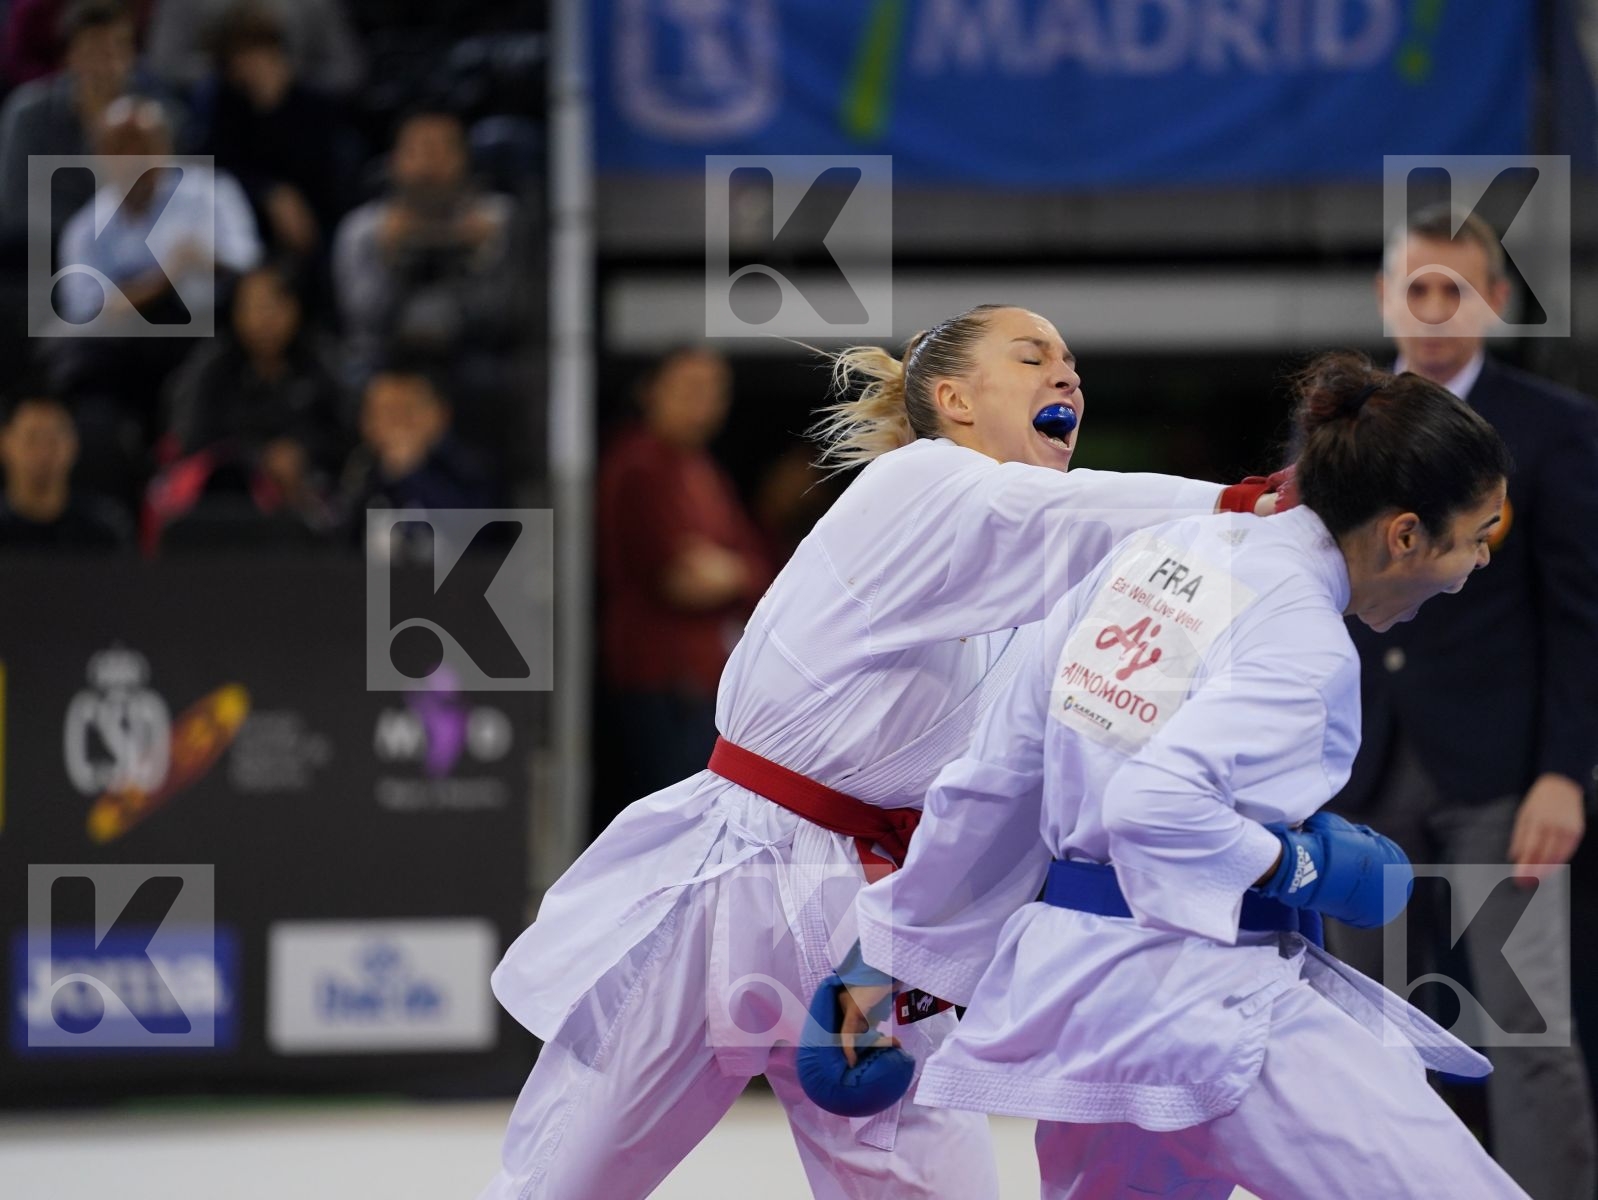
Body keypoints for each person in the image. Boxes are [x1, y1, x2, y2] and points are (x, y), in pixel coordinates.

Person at [480, 303, 1287, 1200]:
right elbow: (1068, 512)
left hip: (868, 914)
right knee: (568, 1176)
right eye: (1033, 358)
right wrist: (1244, 501)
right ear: (953, 397)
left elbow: (1014, 785)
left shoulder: (1042, 591)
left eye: (1073, 366)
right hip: (735, 873)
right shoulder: (920, 483)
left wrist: (917, 945)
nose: (1068, 378)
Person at [842, 351, 1523, 1198]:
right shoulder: (1305, 643)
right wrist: (1302, 865)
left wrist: (896, 948)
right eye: (1477, 536)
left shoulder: (1166, 554)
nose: (1480, 564)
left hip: (1085, 996)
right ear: (1406, 533)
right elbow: (1153, 802)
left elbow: (999, 769)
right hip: (1207, 1000)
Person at [1326, 205, 1598, 1198]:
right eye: (1416, 287)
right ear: (1384, 297)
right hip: (1357, 771)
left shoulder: (1550, 430)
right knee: (1364, 1022)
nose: (1433, 310)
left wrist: (1563, 774)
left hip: (1498, 775)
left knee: (1525, 1025)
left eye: (1455, 289)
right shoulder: (1334, 427)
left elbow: (1579, 619)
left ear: (1491, 299)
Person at [596, 348, 773, 808]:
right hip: (663, 681)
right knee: (670, 818)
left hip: (706, 680)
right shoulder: (639, 464)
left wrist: (733, 569)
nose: (705, 403)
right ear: (651, 390)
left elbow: (760, 564)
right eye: (690, 388)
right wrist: (735, 571)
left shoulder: (702, 467)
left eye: (715, 391)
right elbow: (680, 579)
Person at [0, 0, 139, 247]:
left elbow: (166, 205)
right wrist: (88, 237)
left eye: (117, 49)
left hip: (133, 258)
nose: (108, 65)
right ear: (69, 57)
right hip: (44, 255)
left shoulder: (152, 118)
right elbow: (17, 206)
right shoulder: (29, 115)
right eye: (95, 51)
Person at [0, 393, 129, 549]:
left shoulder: (104, 528)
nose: (44, 452)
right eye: (31, 439)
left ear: (74, 443)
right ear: (5, 443)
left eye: (54, 439)